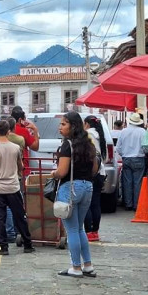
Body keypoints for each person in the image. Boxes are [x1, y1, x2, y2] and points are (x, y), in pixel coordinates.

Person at [48, 112, 98, 277]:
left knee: (72, 230)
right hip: (87, 187)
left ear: (73, 126)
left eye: (63, 124)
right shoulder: (89, 144)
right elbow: (95, 169)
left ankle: (76, 267)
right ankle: (88, 265)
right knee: (80, 228)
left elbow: (62, 172)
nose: (60, 127)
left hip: (69, 189)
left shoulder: (67, 145)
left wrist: (53, 174)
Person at [0, 120, 34, 255]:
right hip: (13, 187)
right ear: (8, 132)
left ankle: (3, 247)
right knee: (20, 216)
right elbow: (21, 166)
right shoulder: (16, 148)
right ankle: (28, 244)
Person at [83, 116, 107, 242]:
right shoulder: (100, 136)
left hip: (90, 172)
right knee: (96, 202)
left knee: (86, 203)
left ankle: (88, 231)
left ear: (86, 124)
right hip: (101, 172)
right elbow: (105, 157)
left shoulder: (86, 135)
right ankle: (95, 231)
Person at [116, 113, 147, 211]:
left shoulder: (123, 131)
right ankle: (136, 204)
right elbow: (146, 146)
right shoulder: (143, 131)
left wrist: (124, 154)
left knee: (127, 181)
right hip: (139, 158)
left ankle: (128, 204)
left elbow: (118, 147)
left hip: (126, 158)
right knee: (137, 182)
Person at [10, 106, 40, 172]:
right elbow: (35, 147)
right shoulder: (23, 131)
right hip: (22, 168)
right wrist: (35, 129)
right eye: (25, 119)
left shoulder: (6, 130)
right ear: (20, 120)